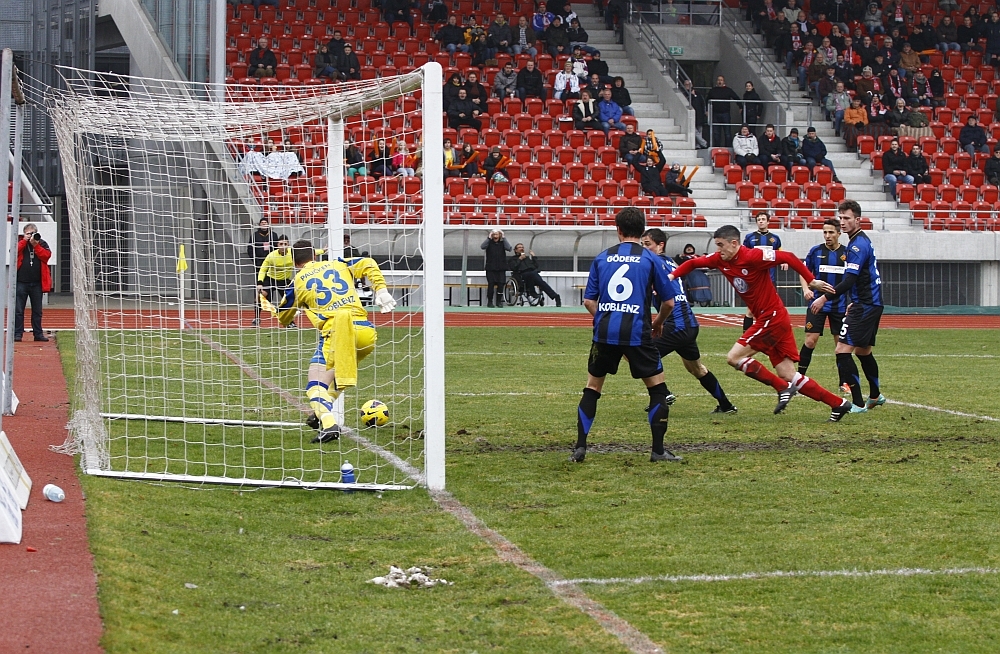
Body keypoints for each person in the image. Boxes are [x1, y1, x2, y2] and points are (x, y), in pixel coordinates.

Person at [670, 225, 852, 421]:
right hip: (774, 317)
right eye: (717, 245)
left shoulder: (753, 256)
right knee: (788, 373)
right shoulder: (719, 259)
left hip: (771, 317)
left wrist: (811, 280)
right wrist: (670, 277)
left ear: (734, 243)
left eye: (721, 245)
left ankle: (782, 388)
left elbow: (789, 257)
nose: (718, 250)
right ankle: (838, 404)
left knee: (734, 357)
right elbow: (692, 264)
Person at [572, 208, 681, 463]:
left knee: (592, 387)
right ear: (642, 231)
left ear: (618, 230)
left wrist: (604, 318)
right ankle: (658, 451)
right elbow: (669, 303)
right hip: (637, 332)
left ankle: (580, 448)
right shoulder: (651, 259)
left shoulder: (602, 257)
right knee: (657, 388)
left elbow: (588, 301)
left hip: (604, 332)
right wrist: (658, 323)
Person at [276, 240, 396, 443]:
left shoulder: (297, 282)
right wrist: (381, 290)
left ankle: (329, 425)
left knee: (315, 386)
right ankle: (321, 411)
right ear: (315, 256)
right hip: (365, 332)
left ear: (294, 263)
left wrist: (295, 309)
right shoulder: (338, 263)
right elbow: (368, 262)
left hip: (338, 333)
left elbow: (283, 318)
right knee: (340, 376)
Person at [640, 228, 737, 414]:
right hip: (688, 324)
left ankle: (663, 394)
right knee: (697, 369)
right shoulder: (669, 262)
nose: (644, 248)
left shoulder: (655, 263)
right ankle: (726, 405)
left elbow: (668, 300)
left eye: (648, 244)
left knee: (639, 354)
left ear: (660, 245)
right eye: (642, 245)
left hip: (677, 324)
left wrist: (657, 322)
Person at [809, 200, 886, 413]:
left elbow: (850, 280)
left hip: (866, 305)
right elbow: (860, 278)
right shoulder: (860, 241)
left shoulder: (856, 245)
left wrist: (824, 298)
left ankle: (858, 404)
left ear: (857, 220)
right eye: (841, 218)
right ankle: (875, 395)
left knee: (842, 350)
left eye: (847, 218)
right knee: (863, 351)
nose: (842, 222)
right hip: (870, 303)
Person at [797, 219, 848, 375]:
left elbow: (852, 279)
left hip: (839, 305)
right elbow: (803, 272)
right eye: (825, 232)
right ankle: (798, 379)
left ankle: (844, 382)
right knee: (810, 341)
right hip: (816, 304)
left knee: (841, 346)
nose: (827, 235)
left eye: (831, 232)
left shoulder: (847, 253)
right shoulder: (816, 251)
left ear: (839, 233)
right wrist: (806, 289)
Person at [741, 211, 784, 331]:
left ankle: (769, 332)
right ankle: (746, 335)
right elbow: (743, 254)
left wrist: (784, 262)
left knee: (771, 308)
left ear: (768, 222)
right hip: (754, 279)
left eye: (763, 219)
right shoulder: (749, 238)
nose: (761, 221)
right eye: (759, 220)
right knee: (751, 309)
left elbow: (780, 254)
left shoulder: (775, 239)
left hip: (770, 279)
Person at [14, 223, 51, 342]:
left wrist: (36, 245)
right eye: (28, 233)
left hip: (37, 283)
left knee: (37, 311)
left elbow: (46, 256)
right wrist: (24, 241)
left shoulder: (42, 243)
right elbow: (13, 252)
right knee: (19, 310)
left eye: (32, 233)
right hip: (21, 282)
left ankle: (38, 334)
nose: (31, 236)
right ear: (24, 233)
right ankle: (17, 334)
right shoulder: (20, 242)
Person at [257, 235, 296, 328]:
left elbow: (307, 252)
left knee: (289, 300)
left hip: (284, 281)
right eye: (281, 244)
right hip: (271, 279)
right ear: (277, 245)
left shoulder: (293, 253)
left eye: (285, 244)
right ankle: (256, 318)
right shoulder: (271, 256)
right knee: (261, 295)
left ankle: (290, 322)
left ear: (288, 244)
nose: (283, 246)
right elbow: (263, 269)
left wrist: (322, 251)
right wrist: (259, 283)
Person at [247, 218, 279, 326]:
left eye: (265, 223)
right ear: (259, 224)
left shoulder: (273, 235)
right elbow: (250, 249)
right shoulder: (255, 236)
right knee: (259, 292)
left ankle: (287, 318)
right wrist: (256, 261)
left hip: (273, 268)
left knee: (279, 291)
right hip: (260, 266)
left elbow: (277, 249)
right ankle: (257, 317)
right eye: (262, 223)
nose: (264, 224)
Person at [481, 229, 511, 308]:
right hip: (491, 268)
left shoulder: (502, 243)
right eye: (494, 235)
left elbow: (509, 248)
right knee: (491, 284)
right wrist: (488, 238)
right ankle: (490, 302)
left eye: (497, 234)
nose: (495, 236)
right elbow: (482, 247)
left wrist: (504, 238)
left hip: (501, 268)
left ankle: (499, 301)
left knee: (501, 285)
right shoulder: (489, 243)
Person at [707, 76, 740, 147]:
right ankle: (717, 147)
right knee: (716, 133)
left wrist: (741, 107)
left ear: (724, 81)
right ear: (717, 81)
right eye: (718, 80)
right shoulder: (713, 90)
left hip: (725, 114)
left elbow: (736, 97)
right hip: (715, 114)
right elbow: (707, 100)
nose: (720, 81)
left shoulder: (728, 90)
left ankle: (728, 147)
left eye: (721, 80)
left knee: (727, 133)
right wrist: (707, 110)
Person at [683, 78, 709, 149]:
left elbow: (702, 103)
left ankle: (698, 145)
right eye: (686, 85)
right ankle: (704, 143)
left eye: (689, 84)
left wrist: (705, 111)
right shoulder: (684, 93)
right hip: (691, 115)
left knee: (699, 131)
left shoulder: (698, 93)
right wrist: (692, 95)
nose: (687, 86)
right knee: (695, 131)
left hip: (699, 114)